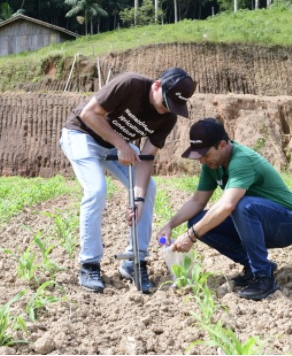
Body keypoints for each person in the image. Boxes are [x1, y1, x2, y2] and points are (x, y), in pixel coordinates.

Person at [60, 68, 196, 294]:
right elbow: (89, 114)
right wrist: (122, 145)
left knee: (148, 187)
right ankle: (89, 264)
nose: (166, 110)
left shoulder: (168, 116)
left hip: (114, 144)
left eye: (172, 107)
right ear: (157, 85)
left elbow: (146, 158)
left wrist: (139, 197)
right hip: (81, 134)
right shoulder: (129, 84)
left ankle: (135, 261)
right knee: (96, 189)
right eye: (165, 103)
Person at [157, 118, 292, 301]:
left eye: (205, 154)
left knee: (242, 205)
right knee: (196, 221)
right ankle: (253, 266)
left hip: (286, 224)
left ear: (222, 145)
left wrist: (190, 236)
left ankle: (264, 278)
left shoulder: (242, 160)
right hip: (257, 222)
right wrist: (170, 225)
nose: (202, 161)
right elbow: (197, 201)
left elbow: (227, 205)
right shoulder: (213, 165)